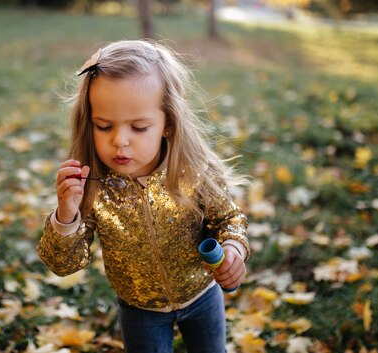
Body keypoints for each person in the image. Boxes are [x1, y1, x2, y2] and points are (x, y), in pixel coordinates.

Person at [37, 39, 250, 353]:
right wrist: (66, 215)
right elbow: (64, 264)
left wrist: (232, 248)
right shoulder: (93, 185)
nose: (120, 141)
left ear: (167, 123)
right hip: (140, 310)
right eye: (104, 126)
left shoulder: (192, 170)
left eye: (138, 127)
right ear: (89, 123)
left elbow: (228, 218)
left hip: (202, 295)